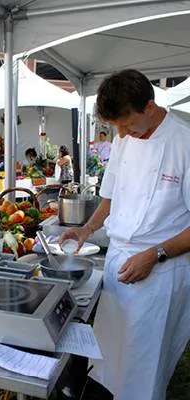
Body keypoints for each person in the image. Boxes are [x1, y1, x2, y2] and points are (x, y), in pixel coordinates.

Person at [57, 69, 190, 399]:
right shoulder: (123, 138)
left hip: (161, 272)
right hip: (120, 264)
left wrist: (155, 254)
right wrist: (87, 229)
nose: (122, 133)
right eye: (116, 127)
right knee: (108, 359)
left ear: (149, 106)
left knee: (143, 369)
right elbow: (111, 196)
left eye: (127, 123)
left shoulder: (184, 144)